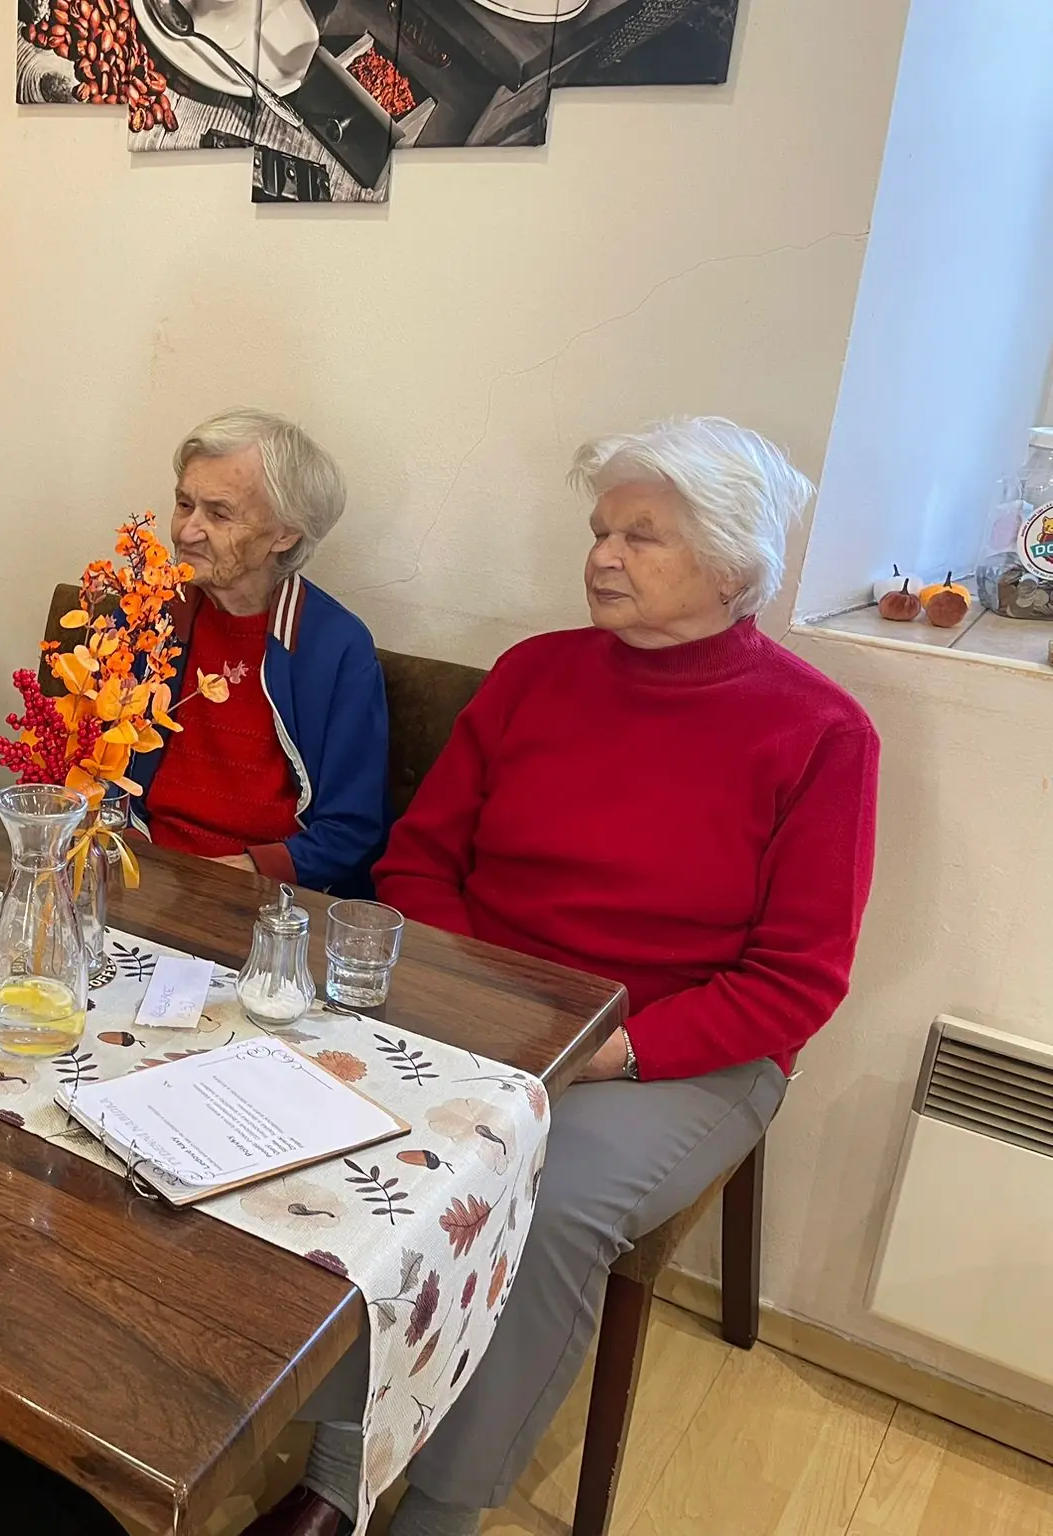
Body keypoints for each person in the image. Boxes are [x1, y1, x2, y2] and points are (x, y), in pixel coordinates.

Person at [249, 417, 880, 1536]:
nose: (602, 556)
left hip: (677, 1047)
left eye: (641, 537)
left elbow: (795, 979)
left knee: (536, 1203)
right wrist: (474, 996)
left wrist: (610, 1050)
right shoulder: (535, 673)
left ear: (731, 565)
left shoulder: (820, 732)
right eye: (600, 531)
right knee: (312, 1120)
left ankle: (441, 1506)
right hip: (481, 999)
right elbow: (419, 861)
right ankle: (336, 1464)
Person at [129, 409, 388, 891]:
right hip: (140, 865)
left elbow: (351, 830)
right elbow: (98, 770)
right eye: (185, 505)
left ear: (285, 534)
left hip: (258, 893)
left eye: (219, 514)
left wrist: (244, 875)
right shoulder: (150, 616)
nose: (186, 532)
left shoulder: (334, 648)